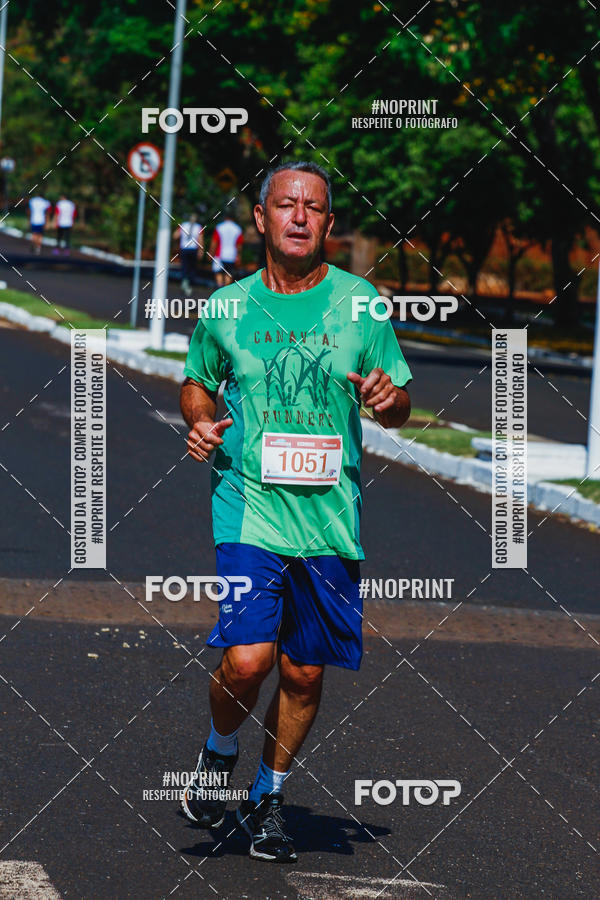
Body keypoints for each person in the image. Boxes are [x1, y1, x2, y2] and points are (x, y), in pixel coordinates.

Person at [179, 161, 412, 863]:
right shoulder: (227, 308)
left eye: (314, 207)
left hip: (330, 518)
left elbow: (401, 401)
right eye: (287, 205)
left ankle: (269, 796)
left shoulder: (363, 304)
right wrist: (200, 420)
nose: (301, 217)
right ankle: (220, 754)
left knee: (305, 672)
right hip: (249, 508)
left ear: (330, 225)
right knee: (248, 661)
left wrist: (384, 397)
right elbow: (196, 381)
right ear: (261, 218)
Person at [174, 212, 204, 294]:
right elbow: (200, 240)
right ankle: (188, 283)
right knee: (191, 267)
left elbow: (175, 235)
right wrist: (201, 250)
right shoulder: (198, 227)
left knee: (184, 266)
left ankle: (185, 281)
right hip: (192, 249)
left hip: (184, 249)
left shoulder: (183, 225)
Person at [209, 214, 243, 286]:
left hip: (219, 255)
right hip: (231, 255)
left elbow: (214, 243)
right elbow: (239, 245)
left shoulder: (219, 227)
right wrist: (238, 256)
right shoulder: (237, 228)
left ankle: (220, 288)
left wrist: (211, 253)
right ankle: (226, 289)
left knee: (218, 273)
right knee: (229, 273)